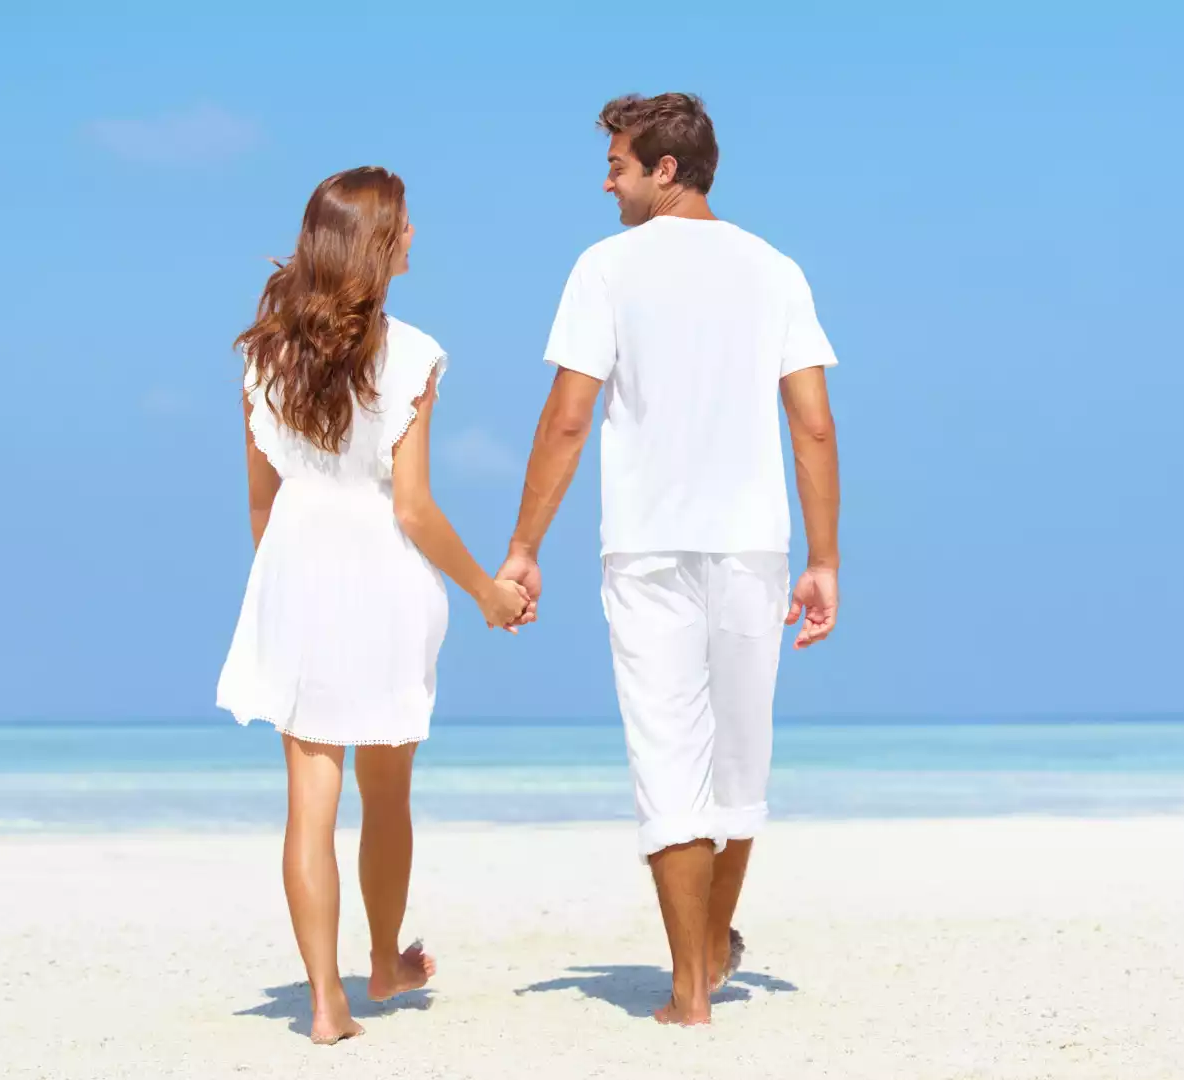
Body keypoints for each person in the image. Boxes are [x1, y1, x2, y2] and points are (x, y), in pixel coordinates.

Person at [498, 93, 843, 1026]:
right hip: (753, 545)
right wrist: (825, 559)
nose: (605, 183)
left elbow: (567, 419)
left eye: (616, 165)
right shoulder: (775, 269)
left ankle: (691, 993)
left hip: (647, 547)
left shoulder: (605, 268)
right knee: (739, 766)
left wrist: (525, 546)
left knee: (669, 762)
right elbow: (812, 424)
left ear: (665, 170)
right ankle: (712, 950)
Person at [215, 167, 530, 1044]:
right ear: (375, 243)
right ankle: (384, 962)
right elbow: (413, 509)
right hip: (383, 577)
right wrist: (487, 593)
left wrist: (280, 590)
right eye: (404, 224)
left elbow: (260, 503)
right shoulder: (413, 353)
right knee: (386, 796)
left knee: (308, 803)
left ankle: (326, 1003)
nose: (415, 235)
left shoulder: (263, 355)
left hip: (293, 571)